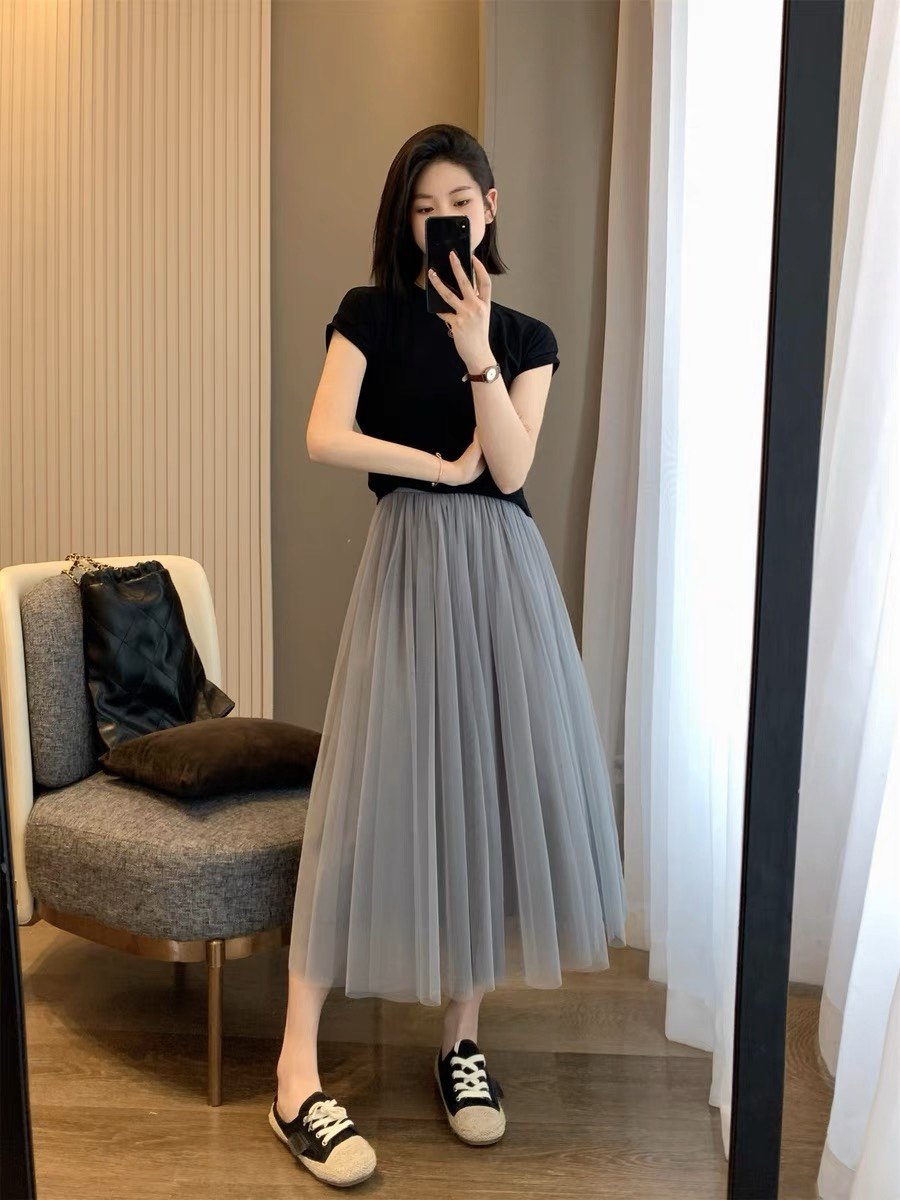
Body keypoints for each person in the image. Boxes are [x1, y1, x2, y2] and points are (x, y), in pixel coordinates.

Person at [268, 124, 627, 1188]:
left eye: (461, 204)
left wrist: (478, 353)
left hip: (505, 585)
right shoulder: (371, 312)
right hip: (410, 568)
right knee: (360, 804)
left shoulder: (525, 336)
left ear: (492, 207)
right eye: (426, 208)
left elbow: (511, 471)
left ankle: (461, 1042)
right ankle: (294, 1074)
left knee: (486, 803)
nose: (445, 221)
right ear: (404, 218)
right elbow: (324, 434)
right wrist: (435, 464)